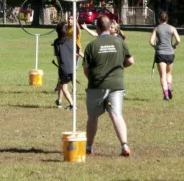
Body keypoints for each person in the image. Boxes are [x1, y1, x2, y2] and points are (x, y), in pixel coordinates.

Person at [83, 16, 134, 156]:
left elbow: (86, 69)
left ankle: (88, 147)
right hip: (116, 84)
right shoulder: (119, 42)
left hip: (96, 85)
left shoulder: (91, 45)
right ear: (108, 27)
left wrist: (93, 78)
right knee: (116, 115)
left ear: (98, 28)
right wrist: (119, 67)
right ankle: (124, 145)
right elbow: (130, 61)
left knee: (93, 116)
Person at [149, 12, 181, 101]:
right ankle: (169, 86)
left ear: (159, 19)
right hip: (170, 53)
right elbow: (178, 40)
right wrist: (174, 46)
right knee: (168, 73)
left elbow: (151, 42)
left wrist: (155, 47)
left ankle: (166, 95)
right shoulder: (172, 28)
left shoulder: (156, 29)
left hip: (160, 53)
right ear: (167, 19)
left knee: (162, 75)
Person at [52, 21, 74, 109]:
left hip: (63, 67)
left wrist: (60, 67)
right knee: (61, 83)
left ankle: (72, 105)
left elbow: (58, 57)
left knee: (64, 87)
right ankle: (59, 102)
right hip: (71, 67)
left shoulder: (57, 42)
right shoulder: (70, 41)